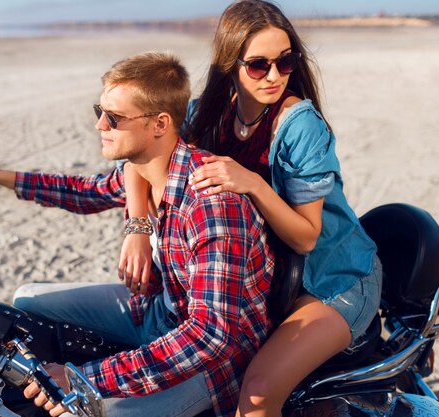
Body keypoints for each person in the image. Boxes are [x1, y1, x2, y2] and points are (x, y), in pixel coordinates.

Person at [0, 51, 275, 417]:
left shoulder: (211, 205)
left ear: (159, 124)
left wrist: (83, 378)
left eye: (114, 118)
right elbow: (82, 191)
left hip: (210, 367)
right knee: (26, 301)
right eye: (99, 111)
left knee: (90, 413)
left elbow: (209, 338)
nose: (99, 125)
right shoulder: (148, 170)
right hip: (156, 312)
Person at [118, 2, 383, 416]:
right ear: (231, 64)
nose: (275, 75)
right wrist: (136, 228)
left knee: (258, 394)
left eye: (286, 61)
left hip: (333, 279)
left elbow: (307, 235)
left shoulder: (299, 125)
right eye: (259, 65)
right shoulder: (206, 114)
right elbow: (142, 156)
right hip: (264, 281)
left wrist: (254, 183)